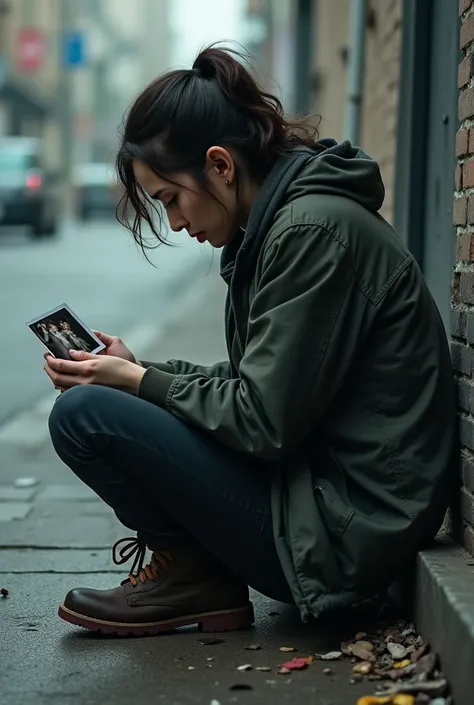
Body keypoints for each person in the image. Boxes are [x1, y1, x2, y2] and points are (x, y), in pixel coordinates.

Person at [44, 45, 457, 637]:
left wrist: (137, 383)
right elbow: (258, 385)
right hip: (322, 497)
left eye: (170, 199)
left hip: (349, 532)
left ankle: (193, 576)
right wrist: (138, 369)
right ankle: (195, 574)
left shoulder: (311, 232)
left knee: (85, 415)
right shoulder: (284, 226)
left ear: (219, 165)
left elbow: (262, 421)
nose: (177, 222)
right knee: (108, 399)